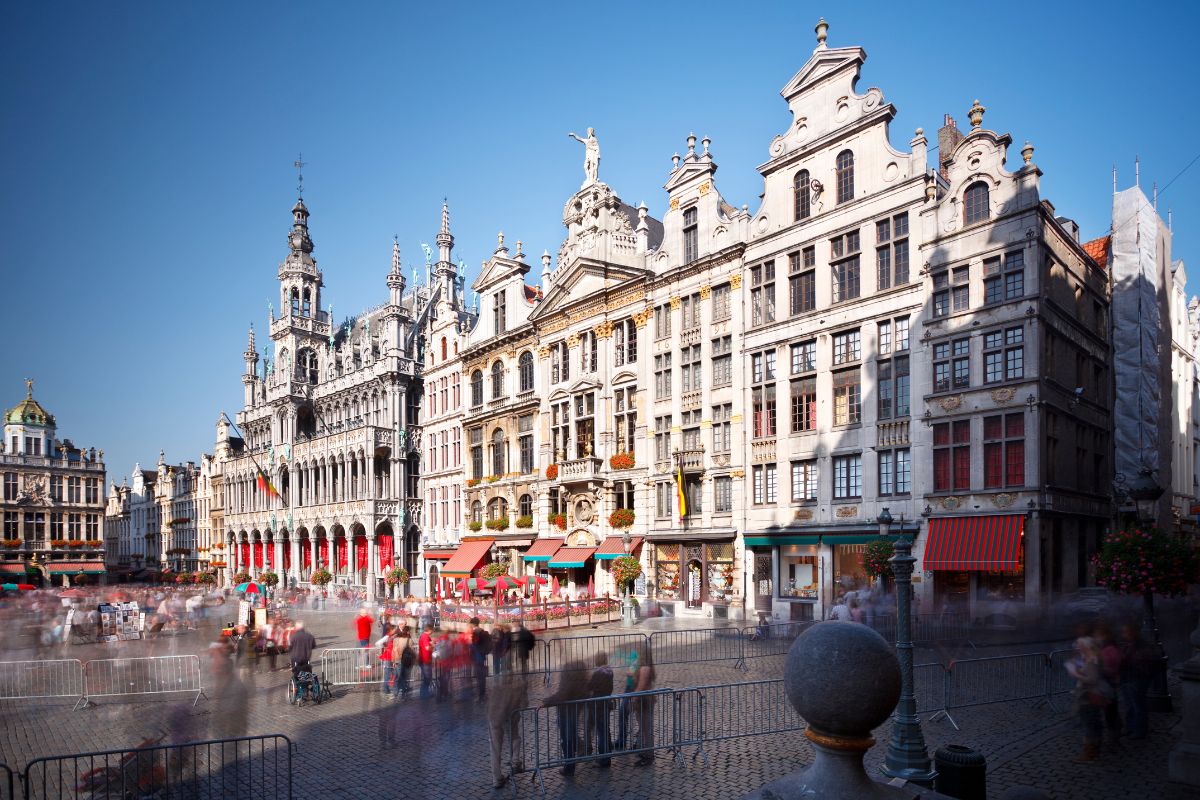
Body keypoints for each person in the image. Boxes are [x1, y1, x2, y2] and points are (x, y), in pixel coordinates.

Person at [1066, 635, 1111, 762]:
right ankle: (1093, 749)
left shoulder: (1092, 661)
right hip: (1089, 695)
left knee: (1090, 724)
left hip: (1089, 696)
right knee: (1092, 724)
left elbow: (1092, 679)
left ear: (1087, 647)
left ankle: (1090, 752)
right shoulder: (1089, 659)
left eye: (1080, 646)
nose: (1077, 648)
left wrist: (1076, 674)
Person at [542, 660, 589, 776]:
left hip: (567, 710)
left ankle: (569, 767)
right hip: (575, 708)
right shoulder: (582, 675)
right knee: (570, 736)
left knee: (567, 739)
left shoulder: (568, 675)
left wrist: (546, 701)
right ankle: (572, 761)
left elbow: (563, 694)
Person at [487, 670, 529, 788]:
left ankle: (497, 779)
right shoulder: (518, 687)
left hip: (495, 717)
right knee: (515, 737)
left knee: (495, 749)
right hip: (509, 717)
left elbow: (490, 701)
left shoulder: (495, 685)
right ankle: (515, 761)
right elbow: (524, 705)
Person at [1118, 622, 1154, 739]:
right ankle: (1130, 727)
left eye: (1126, 632)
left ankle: (1139, 730)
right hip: (1127, 678)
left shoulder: (1141, 646)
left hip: (1137, 679)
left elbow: (1143, 663)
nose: (1124, 635)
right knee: (1129, 705)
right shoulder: (1128, 645)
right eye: (1123, 632)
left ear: (1134, 632)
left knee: (1138, 706)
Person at [585, 652, 614, 768]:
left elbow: (590, 687)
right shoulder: (609, 671)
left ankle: (604, 759)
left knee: (601, 732)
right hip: (605, 704)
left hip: (598, 705)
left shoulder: (598, 673)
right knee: (605, 730)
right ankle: (607, 756)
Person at [631, 644, 657, 765]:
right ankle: (644, 751)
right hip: (646, 699)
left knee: (646, 728)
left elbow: (641, 686)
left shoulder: (644, 668)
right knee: (644, 727)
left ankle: (648, 755)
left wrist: (633, 698)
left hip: (644, 700)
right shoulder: (647, 667)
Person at [469, 617, 492, 700]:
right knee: (482, 677)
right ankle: (482, 694)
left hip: (477, 657)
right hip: (482, 656)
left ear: (472, 624)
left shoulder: (476, 632)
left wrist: (469, 644)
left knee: (479, 677)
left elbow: (475, 645)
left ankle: (481, 695)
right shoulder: (482, 631)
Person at [418, 623, 434, 698]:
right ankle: (424, 694)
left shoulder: (424, 636)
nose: (433, 631)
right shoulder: (425, 637)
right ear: (430, 630)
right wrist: (433, 647)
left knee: (426, 678)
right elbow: (427, 648)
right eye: (432, 630)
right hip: (425, 660)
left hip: (424, 660)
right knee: (427, 678)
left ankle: (424, 693)